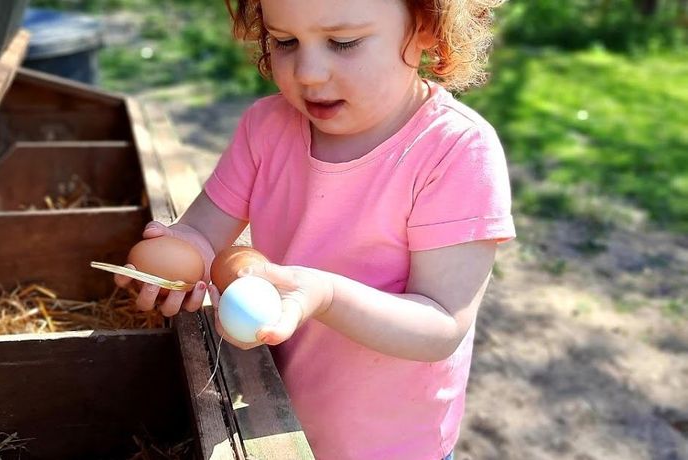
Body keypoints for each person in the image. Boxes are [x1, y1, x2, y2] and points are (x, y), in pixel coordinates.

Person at [115, 0, 513, 458]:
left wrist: (325, 296)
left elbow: (441, 326)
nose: (307, 73)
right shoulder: (266, 128)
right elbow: (202, 236)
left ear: (425, 25)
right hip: (273, 424)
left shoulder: (453, 150)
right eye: (285, 41)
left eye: (343, 42)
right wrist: (178, 255)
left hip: (389, 445)